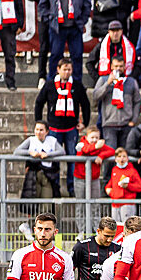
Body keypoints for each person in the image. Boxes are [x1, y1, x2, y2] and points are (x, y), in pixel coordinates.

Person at [35, 57, 92, 195]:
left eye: (69, 70)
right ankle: (55, 188)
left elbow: (85, 104)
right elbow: (39, 102)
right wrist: (39, 122)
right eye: (64, 69)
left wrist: (85, 122)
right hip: (54, 129)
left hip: (71, 129)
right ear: (58, 69)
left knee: (72, 159)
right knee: (54, 160)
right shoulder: (50, 85)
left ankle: (72, 189)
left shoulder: (77, 85)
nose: (67, 72)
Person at [41, 0, 91, 82]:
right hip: (57, 28)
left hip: (74, 27)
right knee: (55, 55)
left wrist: (82, 20)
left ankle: (77, 83)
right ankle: (52, 82)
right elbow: (43, 6)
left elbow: (87, 5)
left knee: (77, 56)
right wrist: (50, 20)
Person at [27, 0, 63, 87]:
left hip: (58, 17)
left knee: (57, 47)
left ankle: (56, 75)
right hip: (43, 17)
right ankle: (41, 76)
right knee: (43, 47)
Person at [93, 54, 140, 149]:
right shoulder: (103, 79)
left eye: (121, 66)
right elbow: (95, 96)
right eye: (116, 66)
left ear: (125, 66)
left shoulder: (131, 82)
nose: (118, 68)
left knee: (125, 153)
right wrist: (107, 84)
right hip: (109, 124)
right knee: (110, 153)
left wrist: (134, 120)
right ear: (111, 66)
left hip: (126, 124)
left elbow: (137, 101)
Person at [14, 121, 64, 207]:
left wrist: (48, 155)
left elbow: (62, 151)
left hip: (48, 175)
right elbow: (16, 151)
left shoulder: (52, 140)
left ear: (46, 132)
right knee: (33, 203)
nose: (38, 132)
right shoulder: (31, 140)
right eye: (36, 129)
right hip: (34, 175)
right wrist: (30, 152)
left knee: (46, 203)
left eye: (41, 130)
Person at [73, 127, 114, 199]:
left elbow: (112, 151)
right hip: (80, 178)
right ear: (86, 137)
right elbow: (85, 150)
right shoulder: (81, 144)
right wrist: (95, 147)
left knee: (95, 201)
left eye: (97, 138)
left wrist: (101, 156)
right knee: (80, 202)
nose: (94, 140)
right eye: (92, 137)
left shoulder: (100, 146)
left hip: (94, 178)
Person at [105, 147, 141, 220]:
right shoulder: (114, 170)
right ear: (115, 159)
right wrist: (108, 190)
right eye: (119, 156)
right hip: (115, 203)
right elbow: (111, 183)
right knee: (116, 225)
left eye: (124, 156)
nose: (121, 159)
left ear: (127, 158)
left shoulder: (132, 171)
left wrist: (128, 186)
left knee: (127, 224)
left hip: (127, 203)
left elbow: (140, 186)